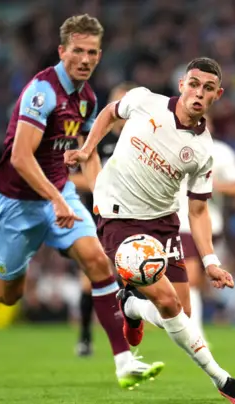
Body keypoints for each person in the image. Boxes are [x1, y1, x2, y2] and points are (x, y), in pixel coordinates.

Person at [0, 14, 163, 389]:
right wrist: (57, 200)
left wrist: (102, 204)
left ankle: (124, 362)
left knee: (98, 262)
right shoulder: (42, 92)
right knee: (6, 294)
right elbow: (20, 157)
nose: (84, 59)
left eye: (92, 52)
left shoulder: (88, 99)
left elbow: (88, 151)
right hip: (15, 202)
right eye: (77, 51)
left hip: (59, 193)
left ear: (99, 55)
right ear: (61, 51)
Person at [65, 57, 235, 404]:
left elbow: (198, 209)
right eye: (194, 84)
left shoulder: (203, 151)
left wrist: (212, 261)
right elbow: (110, 112)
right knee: (168, 301)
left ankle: (131, 308)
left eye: (207, 88)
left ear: (218, 95)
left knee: (180, 311)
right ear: (182, 84)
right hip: (118, 217)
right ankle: (224, 380)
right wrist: (86, 149)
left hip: (164, 223)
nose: (198, 93)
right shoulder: (145, 101)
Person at [70, 81, 137, 357]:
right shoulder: (98, 138)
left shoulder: (140, 141)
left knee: (128, 278)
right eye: (116, 103)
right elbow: (72, 177)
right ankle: (85, 336)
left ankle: (126, 341)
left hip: (131, 216)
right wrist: (101, 185)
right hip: (96, 216)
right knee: (90, 280)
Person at [176, 118, 235, 341]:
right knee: (192, 277)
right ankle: (196, 336)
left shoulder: (222, 152)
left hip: (212, 222)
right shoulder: (175, 147)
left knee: (206, 282)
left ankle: (215, 317)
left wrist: (210, 185)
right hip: (183, 221)